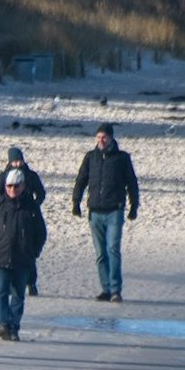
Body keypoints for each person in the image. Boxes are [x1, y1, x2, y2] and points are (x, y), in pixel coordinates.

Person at [71, 122, 140, 303]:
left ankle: (116, 289)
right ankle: (106, 289)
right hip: (95, 212)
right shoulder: (90, 157)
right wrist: (76, 202)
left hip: (114, 211)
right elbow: (81, 180)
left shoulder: (122, 158)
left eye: (104, 137)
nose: (101, 140)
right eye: (98, 137)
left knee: (113, 250)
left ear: (111, 138)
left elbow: (131, 183)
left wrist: (134, 207)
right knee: (101, 253)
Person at [0, 168, 48, 342]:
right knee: (2, 291)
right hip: (0, 257)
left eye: (16, 186)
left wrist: (34, 251)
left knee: (18, 293)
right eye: (9, 186)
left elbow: (41, 232)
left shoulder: (31, 206)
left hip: (23, 257)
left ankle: (14, 326)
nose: (12, 190)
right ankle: (3, 323)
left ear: (23, 186)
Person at [0, 147, 47, 294]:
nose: (17, 164)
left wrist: (34, 206)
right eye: (14, 161)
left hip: (27, 214)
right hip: (8, 214)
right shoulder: (4, 176)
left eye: (19, 160)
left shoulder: (30, 176)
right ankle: (11, 284)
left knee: (27, 252)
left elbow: (41, 193)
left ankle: (32, 283)